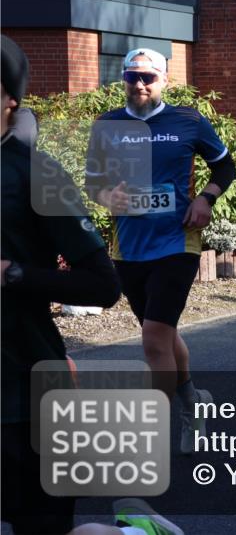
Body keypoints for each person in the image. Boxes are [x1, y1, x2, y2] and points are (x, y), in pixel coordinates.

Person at [2, 35, 184, 535]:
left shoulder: (37, 174)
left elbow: (102, 286)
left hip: (23, 396)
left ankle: (132, 531)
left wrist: (13, 274)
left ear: (9, 97)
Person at [85, 48, 236, 455]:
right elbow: (93, 182)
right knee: (163, 335)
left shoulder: (188, 120)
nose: (139, 84)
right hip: (129, 247)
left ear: (164, 80)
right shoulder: (107, 124)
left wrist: (205, 198)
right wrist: (107, 196)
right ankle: (193, 403)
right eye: (132, 76)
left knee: (153, 339)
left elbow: (225, 167)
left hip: (177, 241)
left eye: (148, 77)